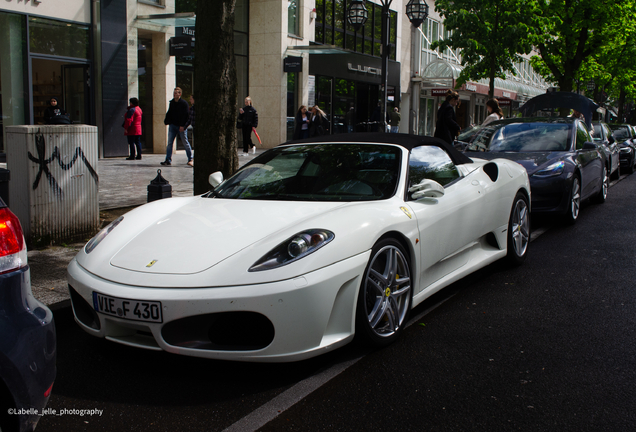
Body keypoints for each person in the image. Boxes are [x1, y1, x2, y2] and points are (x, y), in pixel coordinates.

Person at [161, 87, 193, 167]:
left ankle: (190, 158)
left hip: (181, 126)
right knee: (169, 143)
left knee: (185, 142)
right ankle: (168, 159)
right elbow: (169, 113)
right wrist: (167, 121)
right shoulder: (172, 103)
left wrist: (183, 126)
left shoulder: (184, 103)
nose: (174, 94)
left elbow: (186, 115)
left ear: (180, 94)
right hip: (173, 125)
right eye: (174, 92)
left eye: (176, 93)